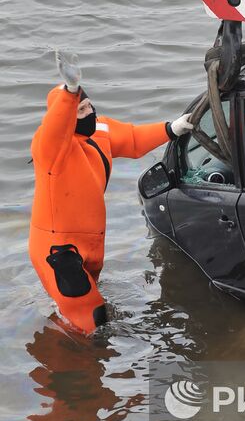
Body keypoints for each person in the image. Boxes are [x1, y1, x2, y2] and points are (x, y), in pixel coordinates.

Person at [29, 50, 194, 333]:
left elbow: (133, 139)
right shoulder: (50, 149)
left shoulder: (99, 133)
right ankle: (78, 362)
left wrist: (172, 129)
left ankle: (67, 336)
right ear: (66, 115)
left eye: (89, 106)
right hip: (58, 251)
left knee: (93, 303)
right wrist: (71, 91)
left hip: (92, 243)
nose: (89, 112)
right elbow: (55, 127)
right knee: (89, 320)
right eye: (80, 110)